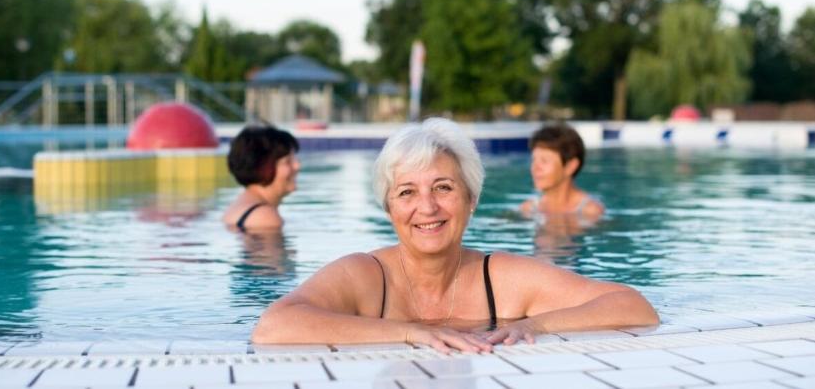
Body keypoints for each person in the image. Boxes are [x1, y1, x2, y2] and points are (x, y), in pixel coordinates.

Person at [251, 118, 657, 353]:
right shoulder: (365, 275)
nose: (427, 208)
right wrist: (410, 332)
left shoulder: (501, 277)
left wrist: (538, 325)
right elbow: (272, 327)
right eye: (407, 192)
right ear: (390, 207)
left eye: (443, 188)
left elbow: (634, 306)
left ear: (471, 198)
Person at [520, 123, 605, 222]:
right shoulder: (528, 209)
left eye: (544, 161)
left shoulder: (591, 212)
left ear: (570, 166)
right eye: (534, 160)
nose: (535, 168)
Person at [222, 125, 300, 232]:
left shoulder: (242, 207)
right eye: (287, 161)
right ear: (262, 167)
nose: (297, 166)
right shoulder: (265, 217)